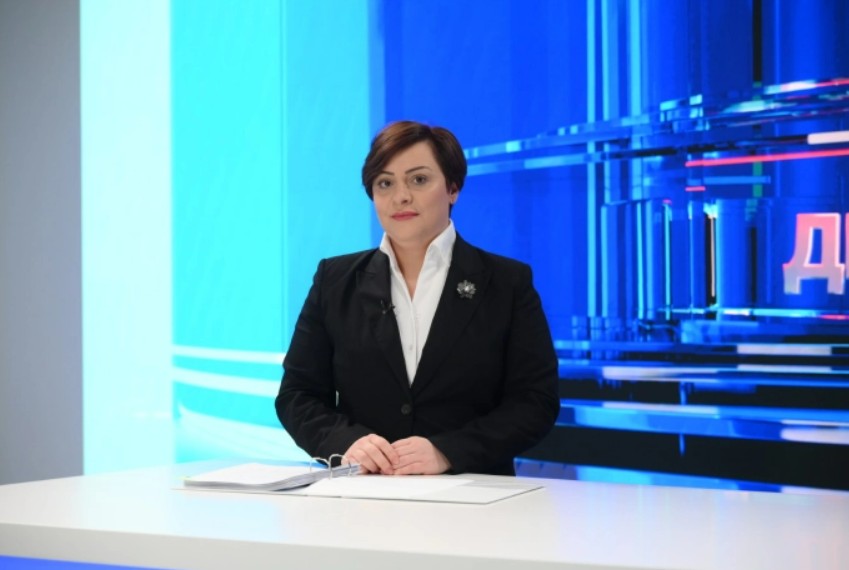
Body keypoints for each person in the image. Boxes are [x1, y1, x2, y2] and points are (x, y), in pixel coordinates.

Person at [275, 120, 559, 476]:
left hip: (474, 493)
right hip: (363, 491)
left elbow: (535, 402)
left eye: (419, 179)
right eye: (385, 183)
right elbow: (297, 395)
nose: (401, 196)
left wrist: (448, 451)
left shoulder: (506, 282)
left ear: (453, 188)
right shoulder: (334, 280)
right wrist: (345, 442)